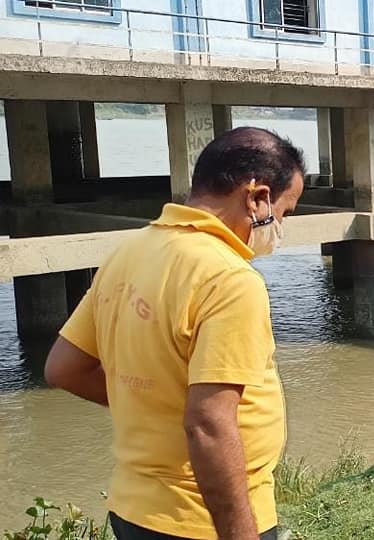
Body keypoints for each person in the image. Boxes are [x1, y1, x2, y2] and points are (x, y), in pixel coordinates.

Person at [44, 127, 305, 540]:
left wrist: (150, 403)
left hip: (133, 509)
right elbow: (208, 426)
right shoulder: (229, 278)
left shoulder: (128, 253)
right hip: (197, 520)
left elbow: (63, 368)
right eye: (285, 213)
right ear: (258, 198)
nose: (280, 229)